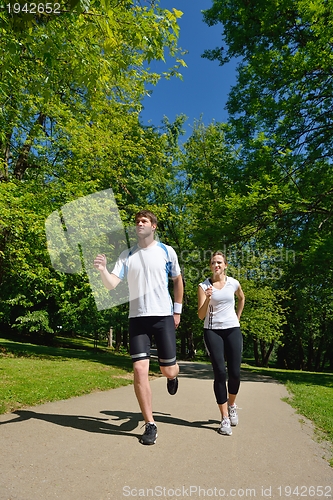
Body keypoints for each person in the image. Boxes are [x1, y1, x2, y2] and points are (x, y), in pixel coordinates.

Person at [94, 210, 183, 445]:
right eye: (136, 222)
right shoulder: (128, 254)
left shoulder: (166, 251)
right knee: (140, 370)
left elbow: (177, 281)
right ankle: (150, 423)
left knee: (168, 370)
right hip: (138, 319)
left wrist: (177, 310)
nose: (139, 224)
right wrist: (103, 270)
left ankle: (173, 376)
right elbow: (112, 284)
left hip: (163, 316)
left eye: (144, 221)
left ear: (153, 226)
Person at [198, 251, 245, 436]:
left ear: (225, 265)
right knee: (220, 373)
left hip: (233, 329)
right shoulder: (203, 286)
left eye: (219, 262)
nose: (216, 265)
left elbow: (242, 298)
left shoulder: (234, 283)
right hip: (212, 331)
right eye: (213, 262)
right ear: (210, 266)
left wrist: (237, 318)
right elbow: (201, 315)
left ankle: (231, 404)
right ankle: (224, 417)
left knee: (234, 373)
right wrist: (208, 297)